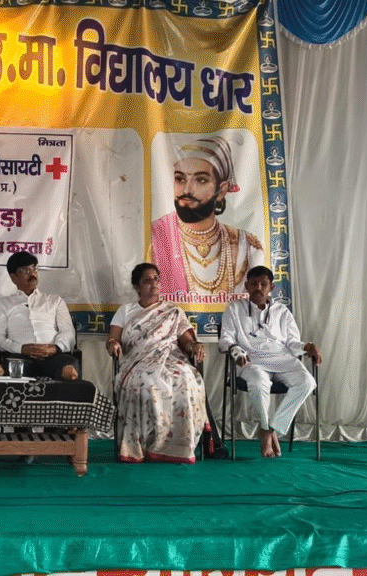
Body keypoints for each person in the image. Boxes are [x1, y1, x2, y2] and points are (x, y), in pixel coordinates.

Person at [106, 263, 208, 463]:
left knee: (187, 380)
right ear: (137, 286)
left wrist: (194, 346)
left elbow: (186, 341)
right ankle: (146, 444)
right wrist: (113, 344)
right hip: (137, 361)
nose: (153, 284)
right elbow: (113, 339)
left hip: (170, 358)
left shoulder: (173, 311)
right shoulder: (125, 311)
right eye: (147, 280)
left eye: (156, 279)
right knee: (145, 384)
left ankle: (179, 446)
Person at [218, 265, 321, 458]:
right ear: (246, 286)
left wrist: (307, 346)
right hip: (251, 361)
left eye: (263, 284)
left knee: (307, 382)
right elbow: (226, 339)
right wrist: (236, 351)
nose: (258, 288)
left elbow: (292, 343)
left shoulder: (282, 311)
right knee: (258, 384)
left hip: (283, 359)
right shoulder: (235, 308)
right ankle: (266, 428)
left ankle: (269, 429)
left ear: (271, 287)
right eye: (254, 284)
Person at [151, 135, 264, 296]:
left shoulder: (246, 246)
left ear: (222, 190)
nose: (186, 190)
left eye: (201, 180)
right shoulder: (154, 238)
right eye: (180, 179)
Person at [0, 251, 79, 380]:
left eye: (34, 269)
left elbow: (68, 332)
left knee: (69, 370)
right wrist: (21, 349)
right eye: (26, 270)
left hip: (53, 356)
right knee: (6, 369)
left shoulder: (55, 301)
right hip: (20, 357)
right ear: (13, 277)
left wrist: (55, 348)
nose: (32, 274)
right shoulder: (2, 304)